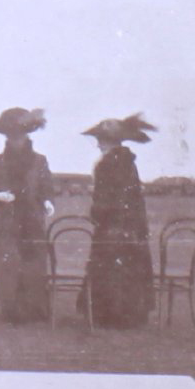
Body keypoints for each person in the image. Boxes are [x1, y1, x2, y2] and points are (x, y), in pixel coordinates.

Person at [78, 113, 157, 328]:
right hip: (131, 227)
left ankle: (110, 317)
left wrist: (96, 213)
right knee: (129, 270)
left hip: (112, 227)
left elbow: (107, 200)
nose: (98, 145)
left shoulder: (105, 165)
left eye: (100, 141)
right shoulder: (128, 162)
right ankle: (129, 316)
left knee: (110, 270)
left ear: (110, 141)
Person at [0, 108, 55, 324]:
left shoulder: (40, 161)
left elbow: (47, 187)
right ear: (6, 136)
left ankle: (35, 310)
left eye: (20, 135)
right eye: (11, 135)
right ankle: (11, 312)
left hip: (33, 220)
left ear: (27, 134)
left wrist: (48, 201)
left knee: (34, 264)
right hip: (7, 220)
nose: (16, 140)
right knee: (8, 266)